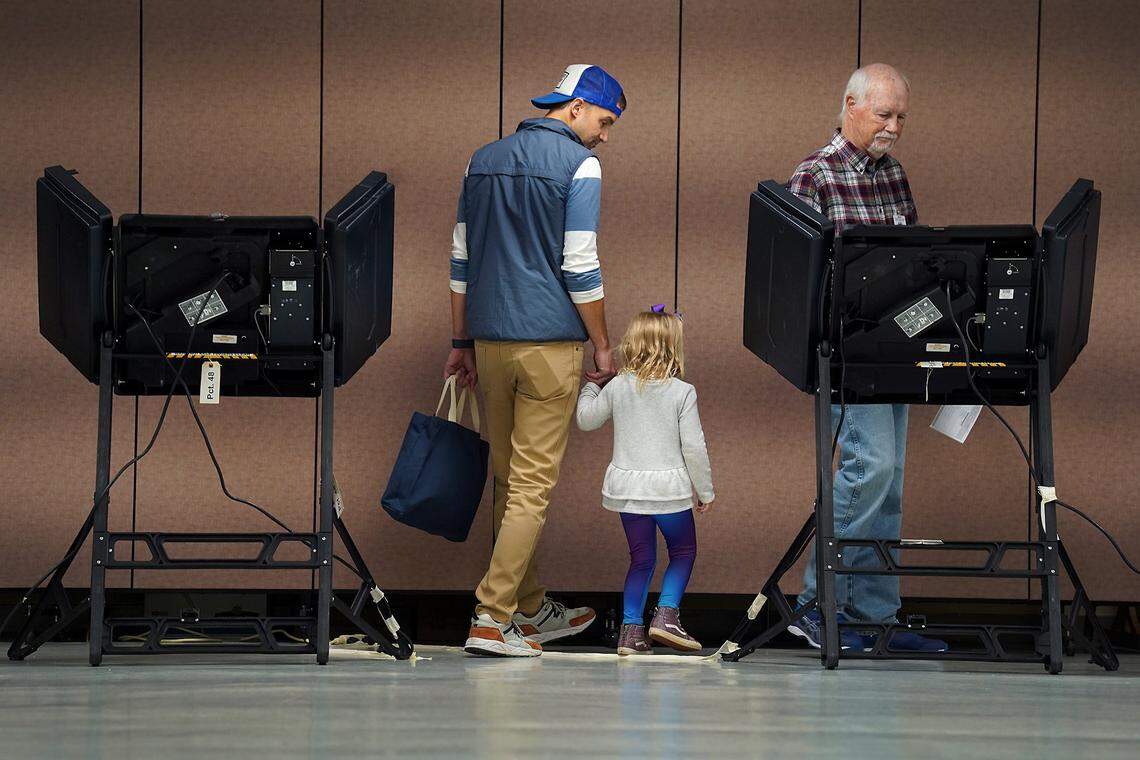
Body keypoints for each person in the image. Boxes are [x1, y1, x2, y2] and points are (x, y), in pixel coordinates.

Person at [445, 65, 626, 657]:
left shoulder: (481, 157)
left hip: (490, 339)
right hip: (550, 344)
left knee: (507, 480)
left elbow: (460, 259)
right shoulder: (581, 165)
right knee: (530, 487)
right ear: (574, 108)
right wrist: (602, 344)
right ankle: (492, 617)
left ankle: (527, 607)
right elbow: (580, 264)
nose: (605, 135)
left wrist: (461, 342)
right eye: (603, 121)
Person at [786, 63, 947, 653]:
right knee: (867, 471)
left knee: (891, 482)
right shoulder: (815, 176)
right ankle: (818, 606)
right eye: (885, 114)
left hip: (895, 349)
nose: (894, 127)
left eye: (901, 116)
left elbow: (916, 264)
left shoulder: (894, 175)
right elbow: (805, 286)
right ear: (850, 105)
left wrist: (926, 330)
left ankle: (877, 615)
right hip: (849, 356)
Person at [575, 306, 715, 655]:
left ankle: (630, 633)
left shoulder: (619, 387)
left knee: (641, 559)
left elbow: (586, 421)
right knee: (683, 551)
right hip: (668, 491)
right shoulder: (682, 391)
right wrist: (705, 490)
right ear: (673, 346)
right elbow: (694, 446)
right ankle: (666, 617)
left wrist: (591, 389)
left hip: (628, 492)